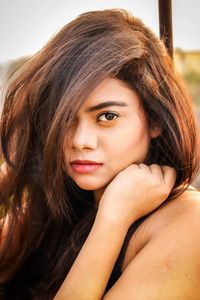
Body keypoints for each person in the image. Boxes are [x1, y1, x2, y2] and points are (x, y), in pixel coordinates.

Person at [0, 8, 200, 300]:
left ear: (155, 119)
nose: (80, 141)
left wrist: (113, 219)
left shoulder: (188, 222)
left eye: (107, 116)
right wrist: (16, 172)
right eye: (65, 118)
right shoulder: (66, 201)